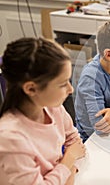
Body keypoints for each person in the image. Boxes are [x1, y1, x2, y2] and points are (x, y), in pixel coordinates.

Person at [0, 37, 86, 185]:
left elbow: (75, 142)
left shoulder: (53, 108)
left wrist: (68, 170)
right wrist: (68, 161)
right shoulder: (11, 139)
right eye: (63, 84)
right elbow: (73, 152)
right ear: (31, 88)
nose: (71, 90)